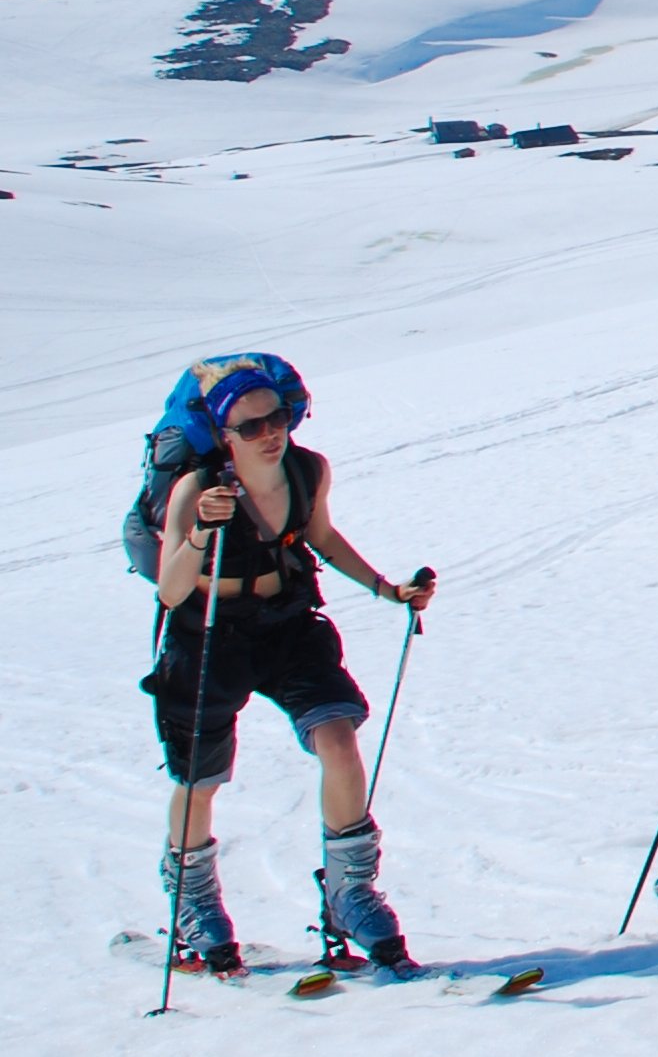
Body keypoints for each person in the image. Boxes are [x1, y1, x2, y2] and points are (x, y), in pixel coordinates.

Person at [144, 354, 440, 975]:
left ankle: (351, 890)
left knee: (337, 736)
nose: (269, 433)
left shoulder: (307, 470)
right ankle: (192, 898)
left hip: (287, 621)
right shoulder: (196, 491)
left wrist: (387, 589)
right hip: (207, 637)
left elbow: (321, 537)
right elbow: (171, 592)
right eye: (250, 426)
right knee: (200, 776)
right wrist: (200, 533)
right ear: (224, 434)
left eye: (276, 417)